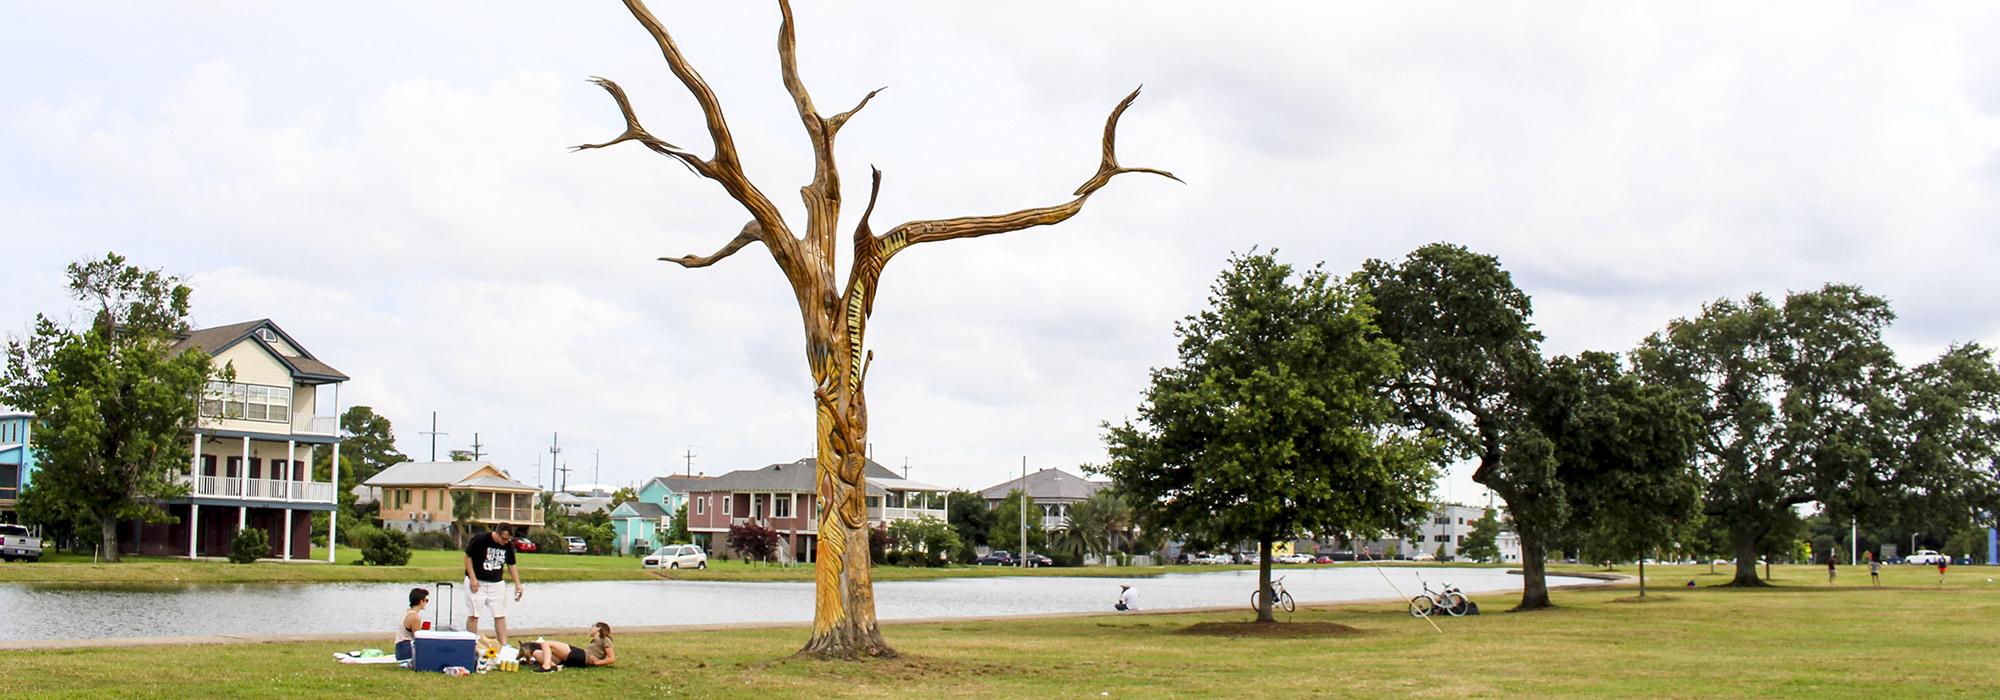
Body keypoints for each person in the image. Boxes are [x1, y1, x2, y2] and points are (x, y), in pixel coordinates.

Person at [463, 527, 525, 646]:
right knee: (474, 615)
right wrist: (473, 578)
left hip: (496, 583)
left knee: (500, 615)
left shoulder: (508, 545)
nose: (505, 542)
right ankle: (471, 644)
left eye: (508, 539)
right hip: (477, 581)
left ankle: (503, 645)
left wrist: (517, 584)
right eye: (504, 539)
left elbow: (511, 565)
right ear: (496, 533)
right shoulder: (480, 539)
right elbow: (467, 557)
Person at [524, 622, 617, 672]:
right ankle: (555, 667)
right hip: (575, 660)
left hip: (582, 656)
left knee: (546, 644)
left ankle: (546, 667)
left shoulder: (605, 639)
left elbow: (611, 658)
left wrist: (598, 662)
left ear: (599, 628)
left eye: (592, 626)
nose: (590, 629)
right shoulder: (596, 641)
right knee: (537, 653)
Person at [395, 587, 429, 661]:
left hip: (400, 648)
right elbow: (418, 639)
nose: (426, 603)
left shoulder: (406, 612)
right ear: (421, 601)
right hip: (406, 650)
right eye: (426, 600)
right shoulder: (415, 617)